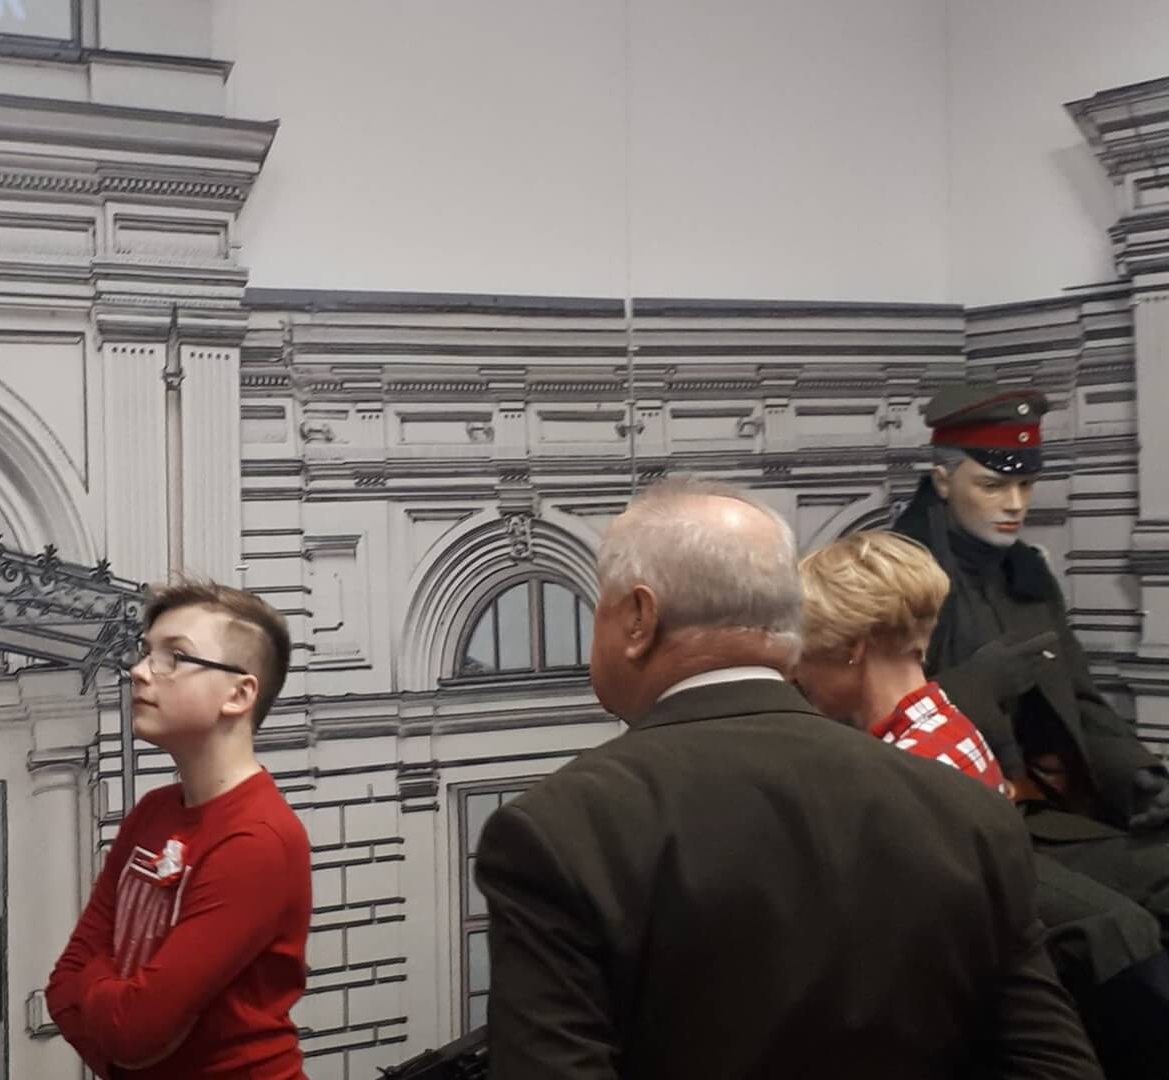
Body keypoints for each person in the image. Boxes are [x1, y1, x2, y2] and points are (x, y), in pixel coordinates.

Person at [474, 477, 1099, 1079]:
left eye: (600, 607)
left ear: (639, 618)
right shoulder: (967, 811)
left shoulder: (559, 833)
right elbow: (1056, 1065)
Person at [795, 529, 1169, 1078]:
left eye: (804, 653)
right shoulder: (950, 723)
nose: (797, 673)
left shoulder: (902, 768)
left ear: (853, 648)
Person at [895, 384, 1169, 943]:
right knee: (1121, 932)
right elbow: (867, 728)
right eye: (993, 485)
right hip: (957, 829)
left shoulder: (1026, 573)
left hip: (1044, 813)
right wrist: (976, 687)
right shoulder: (894, 575)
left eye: (1025, 484)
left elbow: (1080, 700)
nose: (1015, 504)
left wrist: (1142, 777)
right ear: (943, 479)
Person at [45, 579, 310, 1078]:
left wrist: (108, 1005)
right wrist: (123, 1034)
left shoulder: (258, 840)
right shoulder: (153, 811)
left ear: (238, 693)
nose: (139, 671)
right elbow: (62, 986)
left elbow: (132, 1029)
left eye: (174, 657)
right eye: (147, 652)